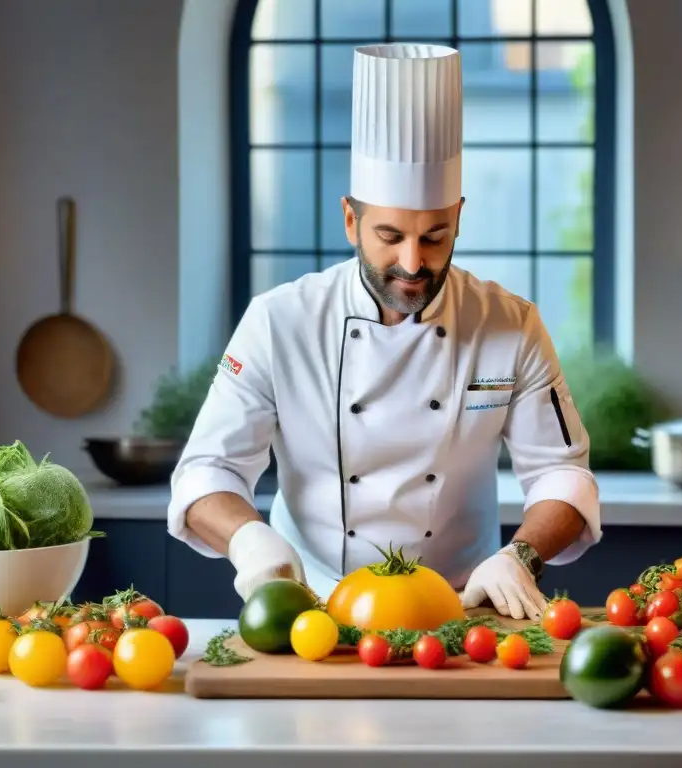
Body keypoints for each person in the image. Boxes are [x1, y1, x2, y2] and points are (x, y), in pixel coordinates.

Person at [167, 43, 601, 621]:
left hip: (460, 614)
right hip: (312, 614)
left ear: (459, 219)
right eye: (391, 236)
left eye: (436, 236)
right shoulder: (279, 322)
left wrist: (520, 554)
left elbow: (563, 474)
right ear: (351, 219)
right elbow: (205, 472)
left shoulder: (510, 325)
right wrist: (249, 538)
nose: (414, 263)